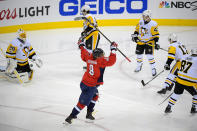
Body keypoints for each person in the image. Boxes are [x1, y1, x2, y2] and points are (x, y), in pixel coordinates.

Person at [65, 39, 118, 124]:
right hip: (90, 86)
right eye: (101, 55)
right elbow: (112, 61)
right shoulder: (100, 61)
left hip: (84, 83)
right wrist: (113, 49)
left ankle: (89, 113)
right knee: (82, 103)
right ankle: (71, 116)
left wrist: (81, 45)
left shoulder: (89, 57)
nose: (102, 56)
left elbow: (84, 53)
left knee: (95, 95)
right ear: (97, 56)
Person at [164, 48, 197, 114]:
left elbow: (178, 66)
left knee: (176, 94)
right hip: (190, 82)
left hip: (179, 80)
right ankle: (193, 108)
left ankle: (168, 107)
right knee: (196, 94)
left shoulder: (184, 57)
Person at [131, 10, 160, 76]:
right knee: (139, 55)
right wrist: (135, 37)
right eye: (143, 16)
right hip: (140, 41)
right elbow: (136, 30)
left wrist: (155, 43)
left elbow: (156, 35)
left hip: (149, 42)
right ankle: (139, 66)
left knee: (149, 56)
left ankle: (153, 69)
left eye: (145, 16)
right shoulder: (140, 21)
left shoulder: (153, 24)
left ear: (149, 16)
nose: (144, 17)